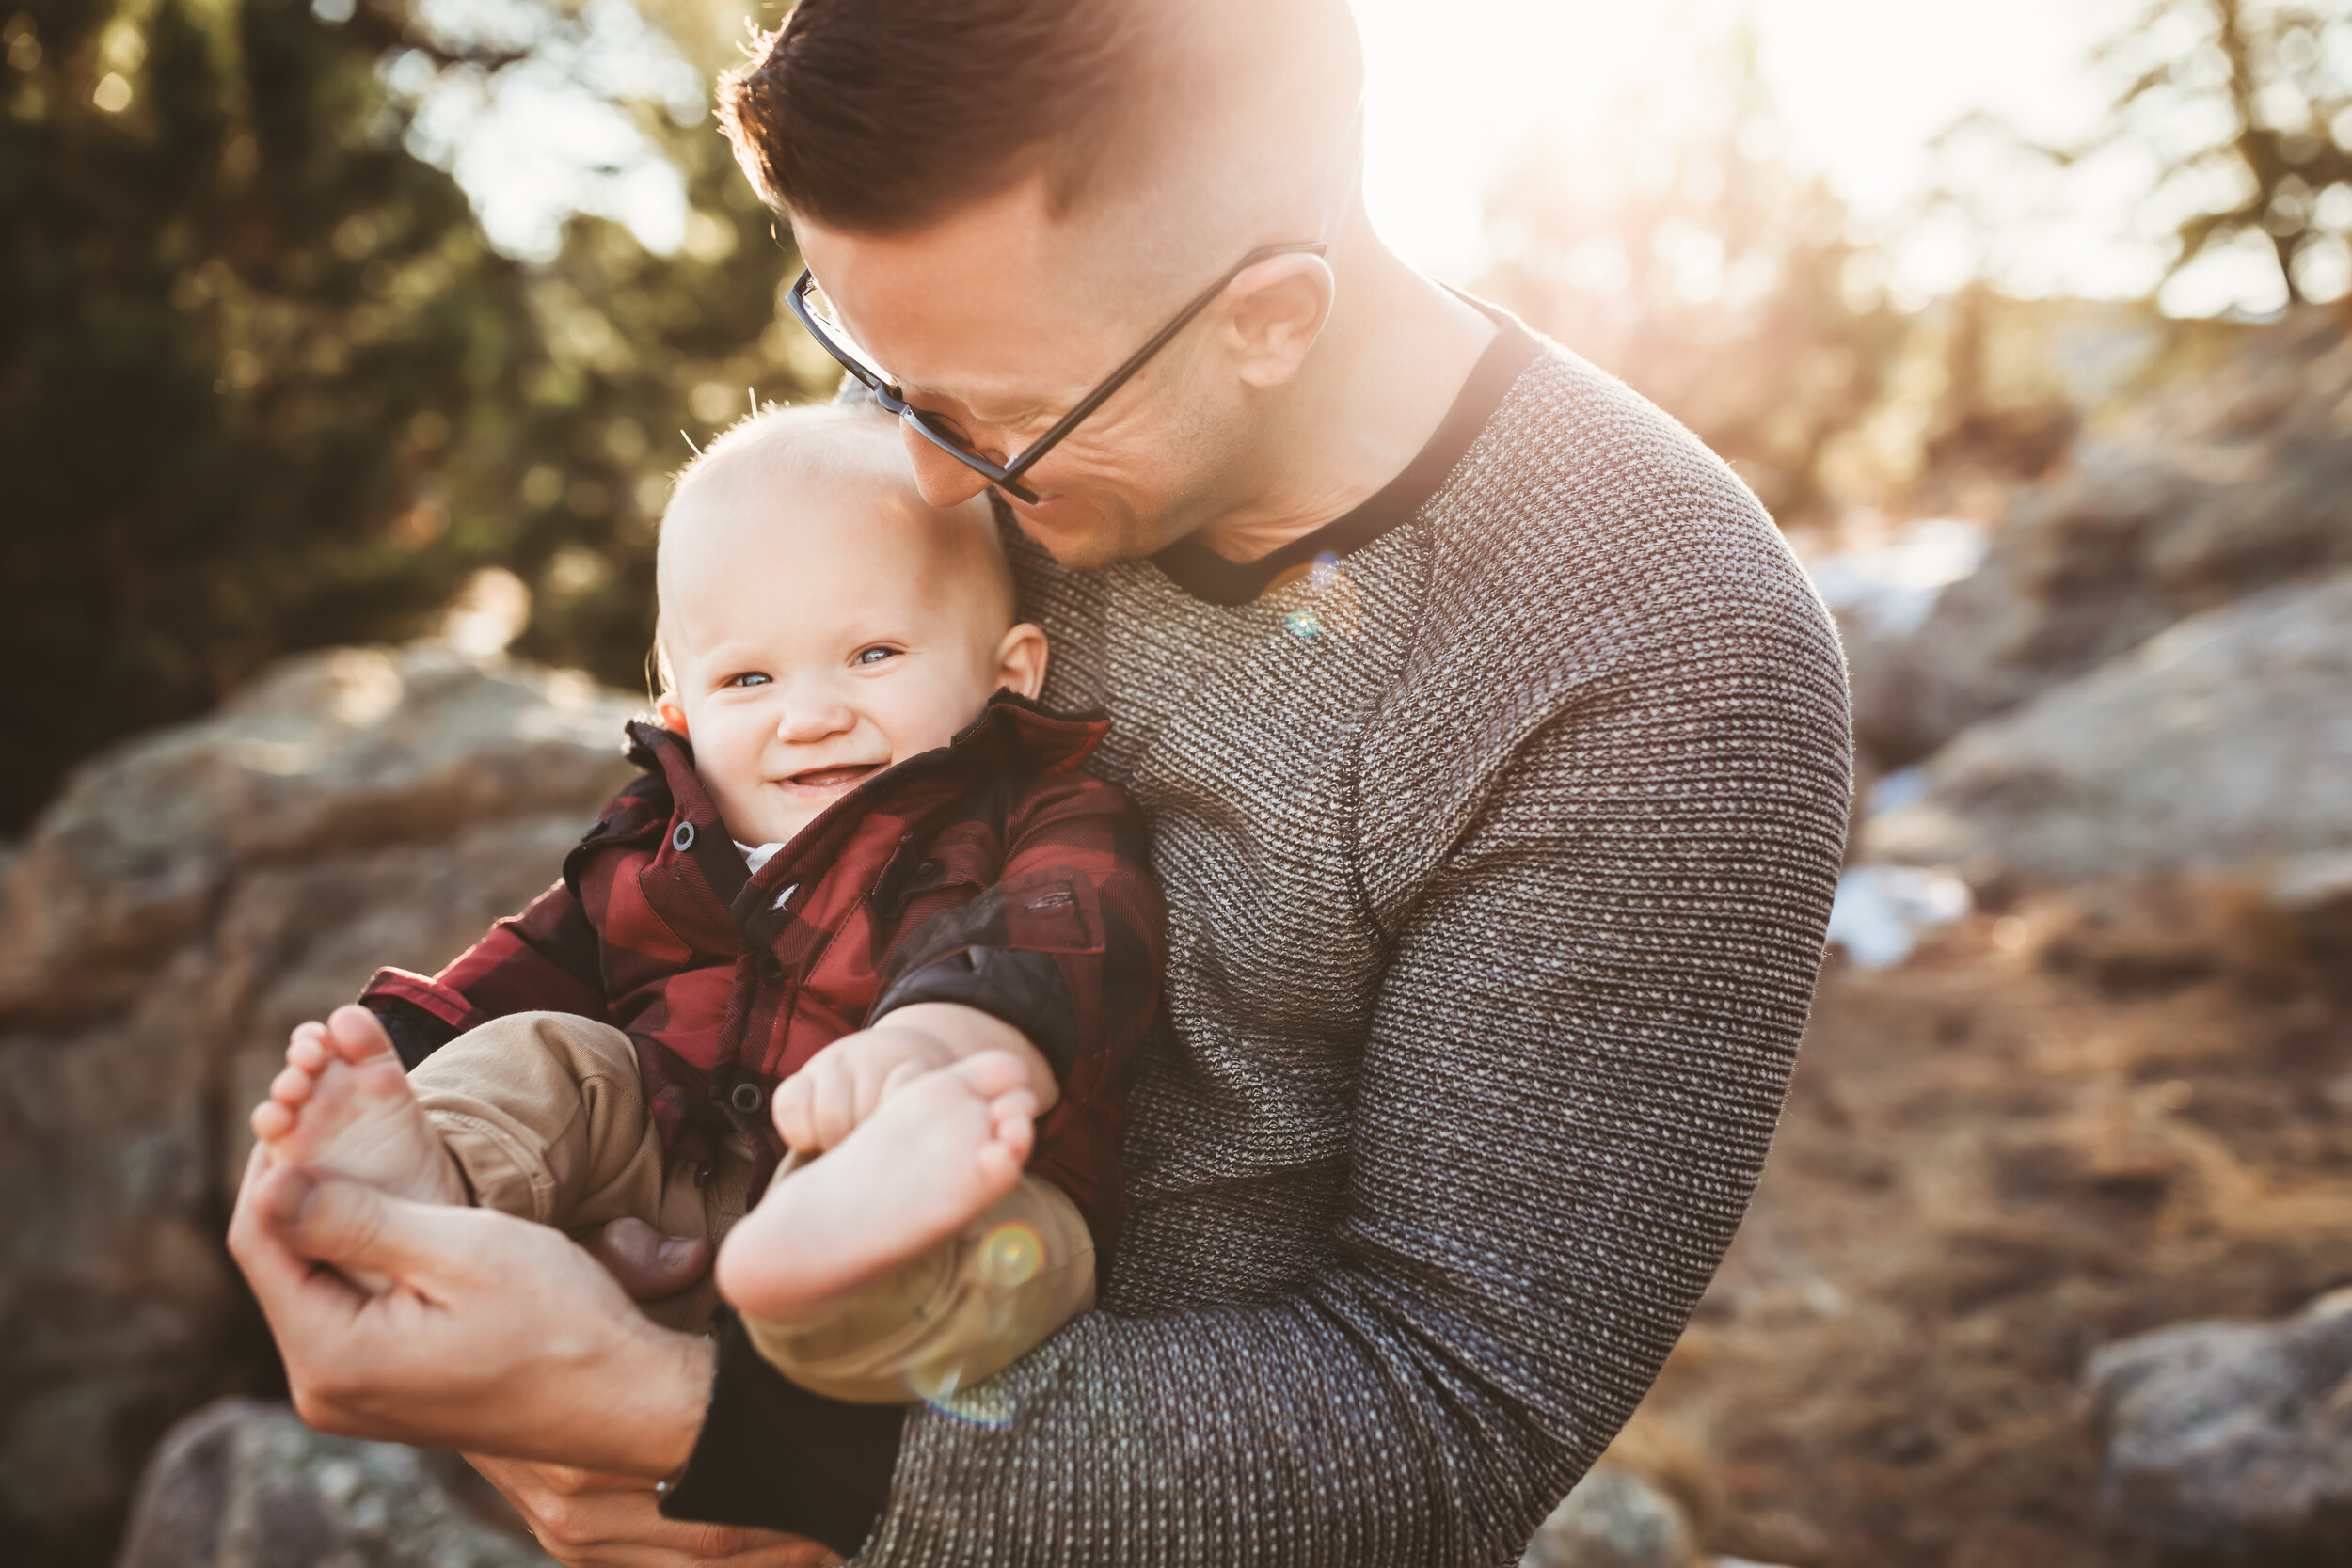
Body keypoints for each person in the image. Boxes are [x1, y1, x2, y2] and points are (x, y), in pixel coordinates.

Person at [229, 1, 1854, 1563]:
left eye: (990, 422)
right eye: (873, 368)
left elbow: (1452, 1425)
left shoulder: (1660, 653)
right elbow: (723, 835)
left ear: (1269, 318)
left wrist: (700, 1420)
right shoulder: (1002, 373)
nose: (926, 477)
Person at [246, 404, 1160, 1403]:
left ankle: (840, 1269)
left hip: (946, 1182)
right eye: (750, 676)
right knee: (549, 1054)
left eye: (874, 655)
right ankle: (436, 1172)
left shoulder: (1035, 813)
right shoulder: (665, 838)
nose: (810, 715)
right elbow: (533, 957)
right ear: (683, 713)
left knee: (1006, 1246)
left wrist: (937, 1047)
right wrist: (396, 1048)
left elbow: (1066, 938)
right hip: (680, 1171)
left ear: (1006, 672)